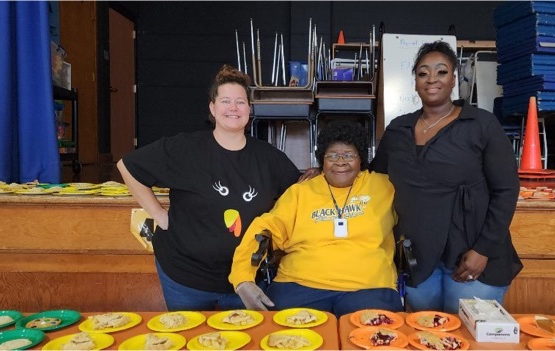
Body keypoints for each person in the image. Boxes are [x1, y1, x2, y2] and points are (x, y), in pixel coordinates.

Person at [117, 64, 299, 311]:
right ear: (212, 108)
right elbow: (127, 166)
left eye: (241, 102)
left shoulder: (269, 158)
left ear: (249, 109)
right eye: (225, 101)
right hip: (184, 277)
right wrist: (159, 215)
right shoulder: (185, 149)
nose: (233, 108)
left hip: (245, 281)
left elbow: (299, 194)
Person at [369, 41, 523, 314]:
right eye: (423, 73)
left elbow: (506, 190)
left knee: (467, 337)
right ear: (415, 81)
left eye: (441, 72)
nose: (432, 79)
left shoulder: (481, 125)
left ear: (454, 79)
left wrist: (483, 250)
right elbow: (372, 177)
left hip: (471, 257)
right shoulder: (398, 129)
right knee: (424, 335)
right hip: (418, 259)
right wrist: (323, 172)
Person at [229, 121, 403, 317]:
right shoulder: (300, 192)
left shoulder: (384, 187)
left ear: (361, 158)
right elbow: (265, 229)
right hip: (299, 284)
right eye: (332, 155)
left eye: (349, 155)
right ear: (322, 159)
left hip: (369, 287)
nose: (340, 161)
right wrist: (243, 277)